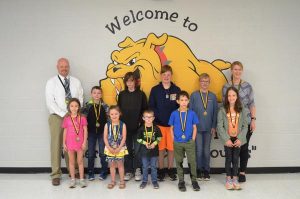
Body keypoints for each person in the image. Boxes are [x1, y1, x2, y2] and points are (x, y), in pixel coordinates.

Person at [45, 58, 83, 186]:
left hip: (73, 116)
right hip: (57, 116)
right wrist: (64, 114)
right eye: (61, 66)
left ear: (69, 67)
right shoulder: (51, 82)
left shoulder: (76, 82)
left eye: (66, 66)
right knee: (56, 144)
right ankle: (56, 174)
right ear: (57, 67)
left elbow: (81, 98)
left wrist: (74, 113)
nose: (64, 68)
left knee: (72, 144)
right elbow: (50, 102)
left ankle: (73, 171)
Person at [222, 61, 256, 182]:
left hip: (245, 121)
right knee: (232, 149)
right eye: (235, 69)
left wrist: (253, 119)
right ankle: (232, 173)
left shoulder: (248, 86)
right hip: (231, 123)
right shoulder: (226, 86)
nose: (237, 72)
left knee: (243, 147)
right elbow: (224, 105)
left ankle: (242, 172)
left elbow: (252, 104)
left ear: (242, 71)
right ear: (231, 71)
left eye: (239, 69)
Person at [149, 65, 180, 181]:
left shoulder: (176, 90)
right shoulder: (155, 90)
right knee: (161, 149)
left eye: (168, 75)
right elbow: (151, 107)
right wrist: (158, 118)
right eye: (164, 75)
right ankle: (161, 170)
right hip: (159, 125)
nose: (166, 77)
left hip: (173, 126)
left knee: (171, 149)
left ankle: (171, 169)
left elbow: (180, 107)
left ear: (171, 75)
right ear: (160, 76)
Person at [118, 72, 147, 181]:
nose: (129, 83)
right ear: (125, 82)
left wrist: (141, 122)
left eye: (131, 81)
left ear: (135, 81)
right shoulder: (122, 94)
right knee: (127, 150)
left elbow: (145, 110)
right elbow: (119, 110)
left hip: (138, 128)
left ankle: (137, 170)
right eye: (127, 81)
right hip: (125, 128)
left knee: (138, 150)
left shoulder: (141, 94)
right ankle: (129, 170)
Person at [168, 91, 200, 192]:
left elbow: (195, 127)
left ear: (188, 101)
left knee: (192, 162)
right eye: (181, 100)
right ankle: (181, 181)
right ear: (177, 101)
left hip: (189, 142)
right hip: (177, 142)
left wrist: (193, 139)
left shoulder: (192, 113)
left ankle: (194, 180)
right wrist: (173, 139)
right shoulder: (174, 113)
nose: (184, 102)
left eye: (186, 100)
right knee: (179, 162)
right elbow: (171, 128)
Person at [217, 87, 248, 190]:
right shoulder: (222, 110)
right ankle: (228, 179)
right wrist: (226, 139)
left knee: (235, 159)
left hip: (238, 138)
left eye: (233, 95)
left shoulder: (241, 108)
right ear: (227, 97)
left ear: (237, 96)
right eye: (229, 95)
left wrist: (240, 139)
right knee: (229, 158)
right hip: (228, 139)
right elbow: (219, 126)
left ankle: (235, 178)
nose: (231, 97)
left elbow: (245, 125)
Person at [190, 73, 218, 181]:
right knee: (199, 150)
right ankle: (198, 170)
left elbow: (215, 112)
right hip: (197, 128)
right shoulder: (194, 95)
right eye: (202, 81)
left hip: (208, 128)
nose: (204, 83)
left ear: (209, 83)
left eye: (207, 81)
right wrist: (192, 127)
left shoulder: (213, 96)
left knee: (206, 150)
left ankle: (206, 170)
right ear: (199, 82)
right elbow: (191, 112)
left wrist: (214, 126)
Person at [82, 86, 108, 181]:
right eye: (94, 93)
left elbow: (109, 120)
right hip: (91, 133)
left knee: (102, 153)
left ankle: (104, 172)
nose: (96, 95)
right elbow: (83, 119)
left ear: (101, 94)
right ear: (91, 94)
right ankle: (90, 172)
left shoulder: (105, 106)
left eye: (98, 93)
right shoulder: (87, 106)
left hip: (102, 133)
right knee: (91, 153)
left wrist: (108, 131)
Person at [62, 98, 88, 188]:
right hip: (70, 143)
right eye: (72, 106)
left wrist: (84, 142)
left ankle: (81, 179)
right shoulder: (67, 119)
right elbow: (65, 131)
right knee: (71, 162)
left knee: (80, 161)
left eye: (76, 106)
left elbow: (85, 130)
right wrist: (64, 143)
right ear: (69, 107)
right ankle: (72, 179)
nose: (74, 108)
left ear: (79, 107)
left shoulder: (83, 118)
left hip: (80, 143)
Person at [103, 105, 128, 189]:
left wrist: (119, 148)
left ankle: (122, 181)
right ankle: (112, 181)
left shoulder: (123, 125)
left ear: (120, 114)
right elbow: (105, 137)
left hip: (120, 148)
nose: (114, 116)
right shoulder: (107, 125)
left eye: (116, 114)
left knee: (120, 165)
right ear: (109, 115)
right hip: (109, 148)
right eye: (112, 114)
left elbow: (124, 137)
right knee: (112, 165)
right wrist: (109, 147)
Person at [137, 109, 162, 189]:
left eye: (150, 117)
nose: (148, 119)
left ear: (153, 118)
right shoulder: (141, 129)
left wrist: (154, 144)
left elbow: (159, 137)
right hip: (144, 152)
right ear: (143, 118)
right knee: (144, 167)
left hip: (154, 151)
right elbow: (138, 139)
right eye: (146, 117)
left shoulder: (156, 128)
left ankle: (154, 181)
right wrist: (145, 143)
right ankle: (144, 181)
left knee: (154, 166)